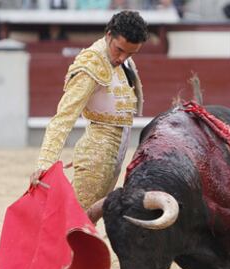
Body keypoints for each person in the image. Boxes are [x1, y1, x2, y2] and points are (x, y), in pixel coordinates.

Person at [30, 11, 148, 211]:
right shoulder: (91, 64)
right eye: (119, 50)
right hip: (96, 155)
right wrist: (45, 163)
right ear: (109, 35)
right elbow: (64, 117)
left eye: (130, 53)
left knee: (88, 218)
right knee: (75, 219)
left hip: (114, 154)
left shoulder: (123, 60)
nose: (122, 58)